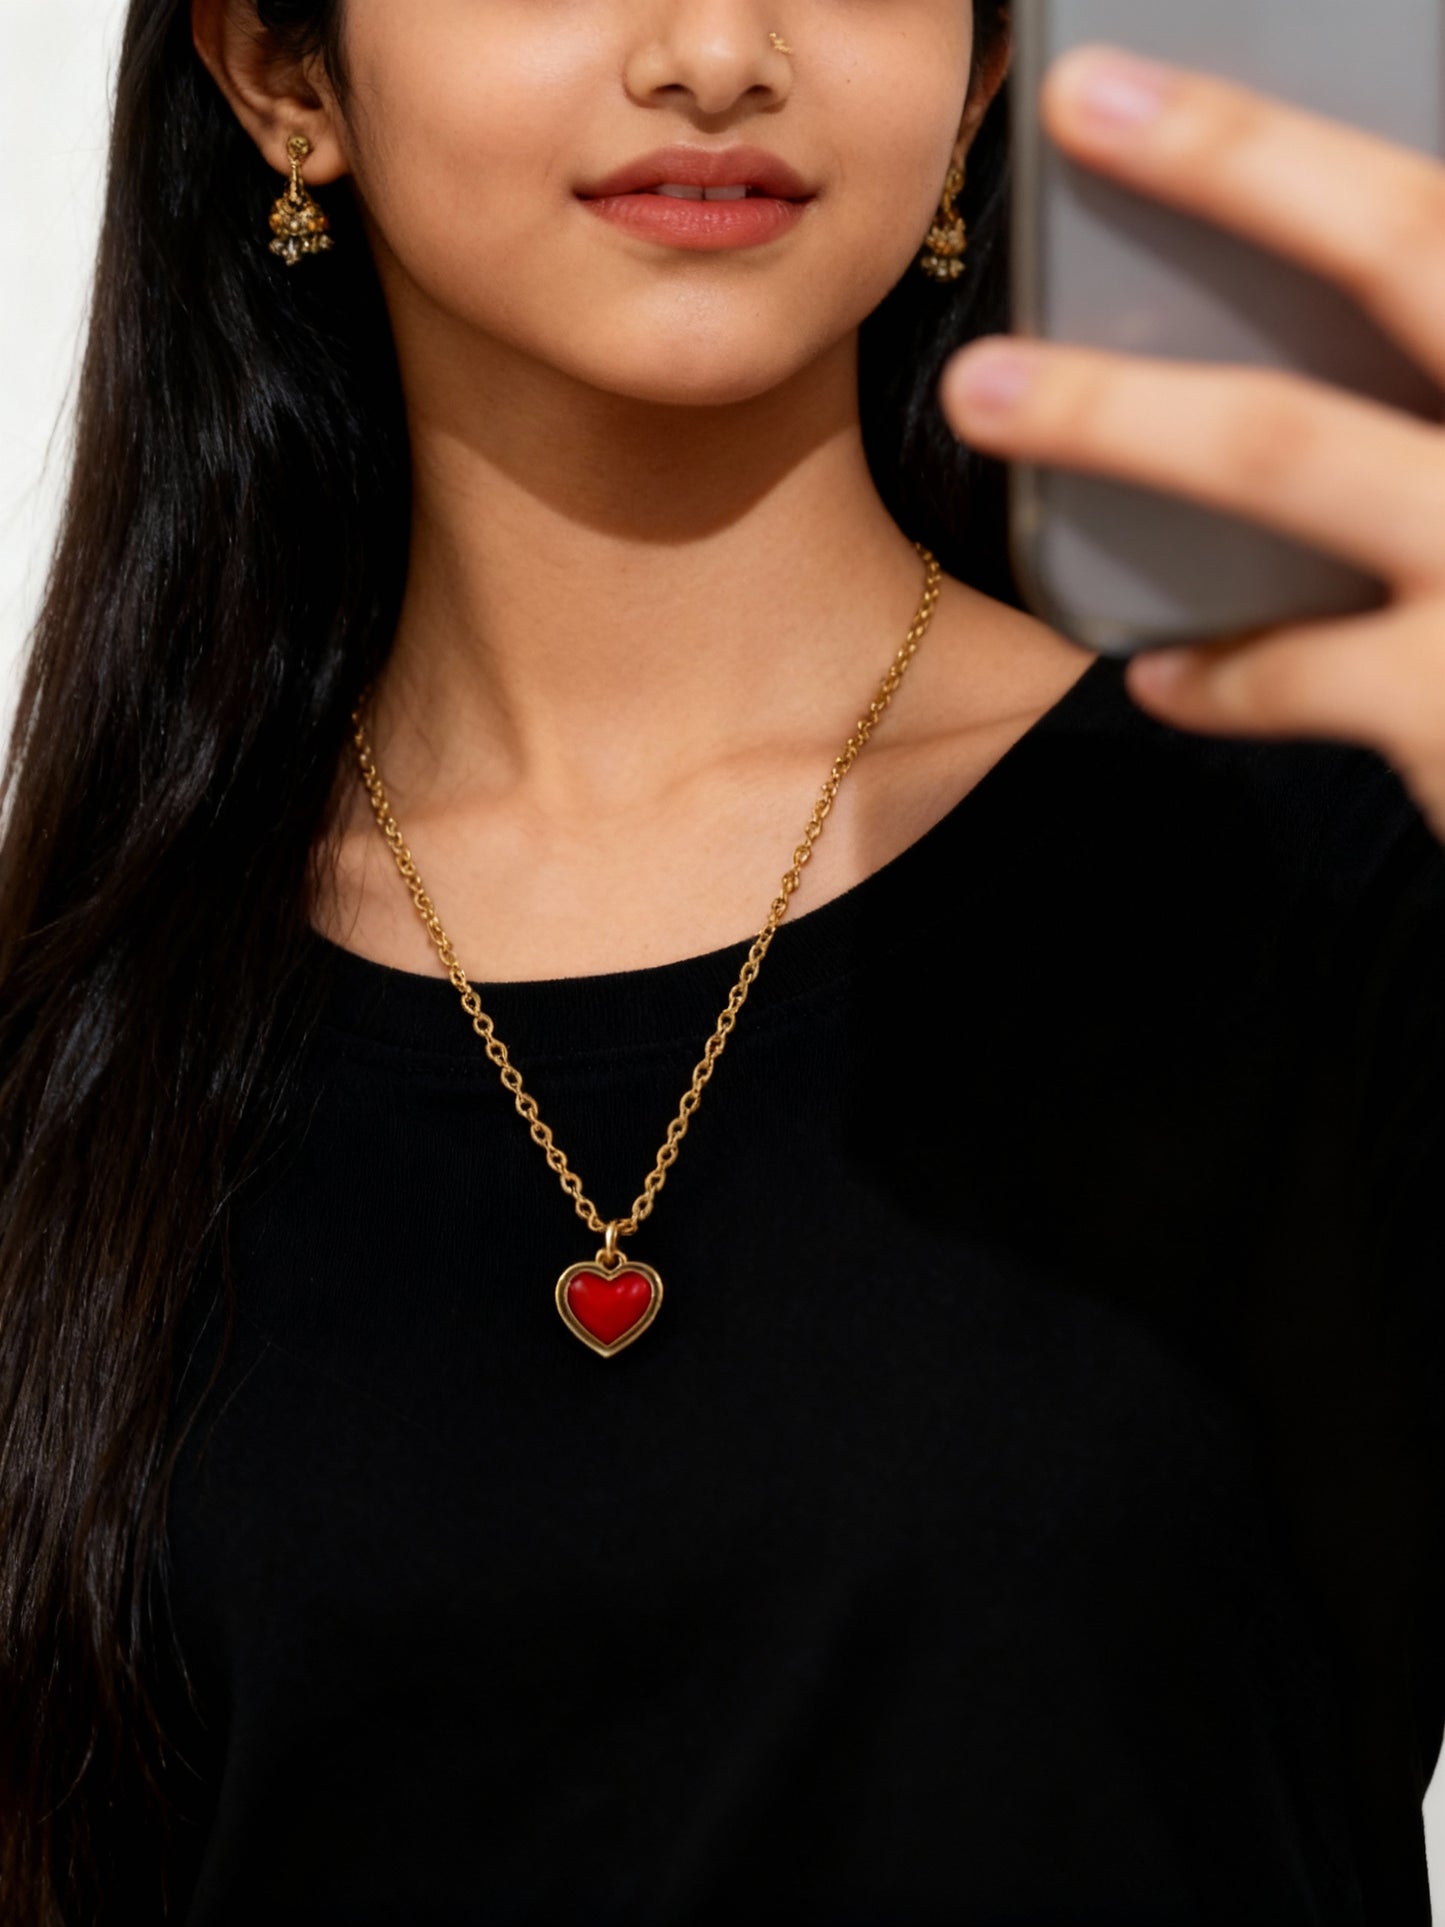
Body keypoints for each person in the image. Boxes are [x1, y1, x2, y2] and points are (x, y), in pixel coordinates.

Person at [0, 0, 1441, 1919]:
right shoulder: (72, 1065)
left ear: (982, 72)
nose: (713, 46)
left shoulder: (1337, 874)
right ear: (284, 74)